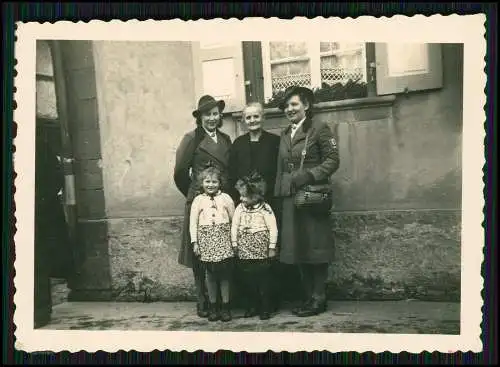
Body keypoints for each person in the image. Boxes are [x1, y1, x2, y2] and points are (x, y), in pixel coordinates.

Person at [274, 86, 340, 317]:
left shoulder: (319, 129)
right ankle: (308, 296)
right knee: (298, 248)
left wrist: (310, 175)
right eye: (286, 106)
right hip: (291, 198)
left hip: (311, 195)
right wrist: (280, 195)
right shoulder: (284, 134)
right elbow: (281, 168)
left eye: (294, 104)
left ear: (306, 106)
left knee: (316, 247)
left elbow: (333, 160)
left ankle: (319, 298)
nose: (289, 109)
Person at [174, 95, 233, 318]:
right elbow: (180, 173)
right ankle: (203, 300)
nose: (212, 118)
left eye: (215, 114)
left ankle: (223, 301)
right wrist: (194, 193)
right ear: (200, 118)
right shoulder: (191, 139)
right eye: (207, 114)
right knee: (200, 255)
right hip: (200, 201)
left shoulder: (226, 139)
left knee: (223, 253)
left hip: (222, 200)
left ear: (220, 117)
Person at [228, 102, 281, 310]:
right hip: (245, 207)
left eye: (256, 117)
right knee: (247, 257)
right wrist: (241, 198)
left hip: (267, 205)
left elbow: (278, 172)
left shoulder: (274, 142)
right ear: (243, 121)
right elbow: (232, 173)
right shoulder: (238, 144)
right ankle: (249, 301)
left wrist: (267, 198)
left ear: (263, 118)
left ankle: (270, 301)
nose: (252, 121)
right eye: (248, 118)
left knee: (268, 254)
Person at [189, 166, 236, 322]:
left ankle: (225, 307)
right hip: (206, 240)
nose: (210, 185)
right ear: (202, 183)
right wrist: (195, 243)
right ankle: (213, 306)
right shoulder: (198, 200)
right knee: (210, 275)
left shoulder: (226, 199)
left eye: (214, 181)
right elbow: (193, 223)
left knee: (224, 275)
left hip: (223, 239)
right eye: (207, 181)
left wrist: (233, 241)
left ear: (220, 183)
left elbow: (233, 220)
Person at [231, 172, 278, 320]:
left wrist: (271, 247)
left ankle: (265, 307)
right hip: (244, 248)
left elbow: (273, 228)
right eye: (240, 195)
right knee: (247, 279)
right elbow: (234, 226)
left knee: (263, 279)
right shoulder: (239, 208)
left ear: (255, 196)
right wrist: (234, 243)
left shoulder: (265, 209)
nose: (241, 199)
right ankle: (252, 305)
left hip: (261, 249)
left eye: (244, 196)